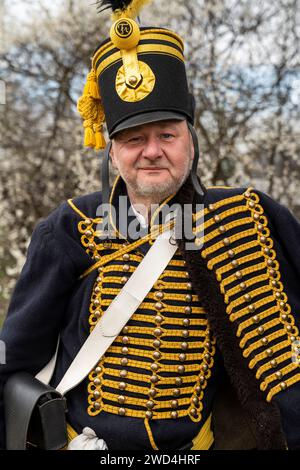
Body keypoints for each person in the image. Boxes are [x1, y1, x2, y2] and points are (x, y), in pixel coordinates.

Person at [1, 0, 300, 450]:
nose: (152, 151)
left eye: (167, 135)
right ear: (113, 152)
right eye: (134, 139)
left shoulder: (249, 220)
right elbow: (15, 356)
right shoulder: (68, 227)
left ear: (191, 142)